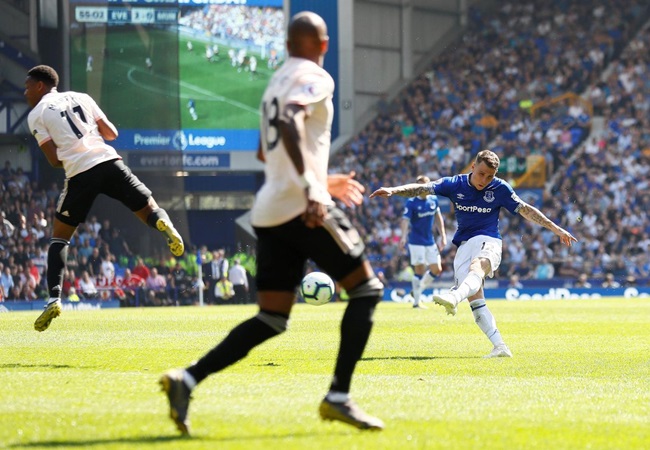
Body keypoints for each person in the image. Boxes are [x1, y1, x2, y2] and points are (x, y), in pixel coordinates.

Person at [160, 11, 384, 435]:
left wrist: (321, 178)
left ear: (285, 45)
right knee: (366, 290)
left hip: (270, 210)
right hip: (302, 207)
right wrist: (313, 186)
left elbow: (267, 152)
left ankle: (186, 379)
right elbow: (289, 120)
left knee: (272, 316)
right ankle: (338, 396)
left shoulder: (275, 82)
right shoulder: (315, 77)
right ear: (324, 45)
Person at [370, 149, 577, 358]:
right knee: (476, 300)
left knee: (477, 267)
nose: (484, 180)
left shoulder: (500, 188)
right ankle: (500, 347)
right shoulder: (454, 184)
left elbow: (525, 209)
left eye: (490, 176)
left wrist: (556, 229)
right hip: (464, 245)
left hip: (489, 240)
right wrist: (393, 190)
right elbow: (423, 188)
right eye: (481, 174)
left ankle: (454, 296)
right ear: (473, 167)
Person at [24, 65, 184, 332]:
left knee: (59, 238)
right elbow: (111, 134)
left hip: (79, 173)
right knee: (148, 208)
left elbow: (53, 160)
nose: (25, 92)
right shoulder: (82, 97)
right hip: (110, 162)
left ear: (40, 85)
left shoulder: (36, 114)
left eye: (28, 86)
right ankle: (164, 224)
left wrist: (72, 154)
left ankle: (54, 299)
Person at [400, 175, 447, 309]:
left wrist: (443, 235)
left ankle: (417, 290)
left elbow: (438, 217)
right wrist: (403, 236)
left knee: (437, 269)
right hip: (416, 242)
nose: (424, 189)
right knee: (419, 269)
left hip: (430, 241)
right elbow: (405, 220)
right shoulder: (411, 202)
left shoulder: (433, 200)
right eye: (421, 186)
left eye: (426, 186)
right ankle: (416, 303)